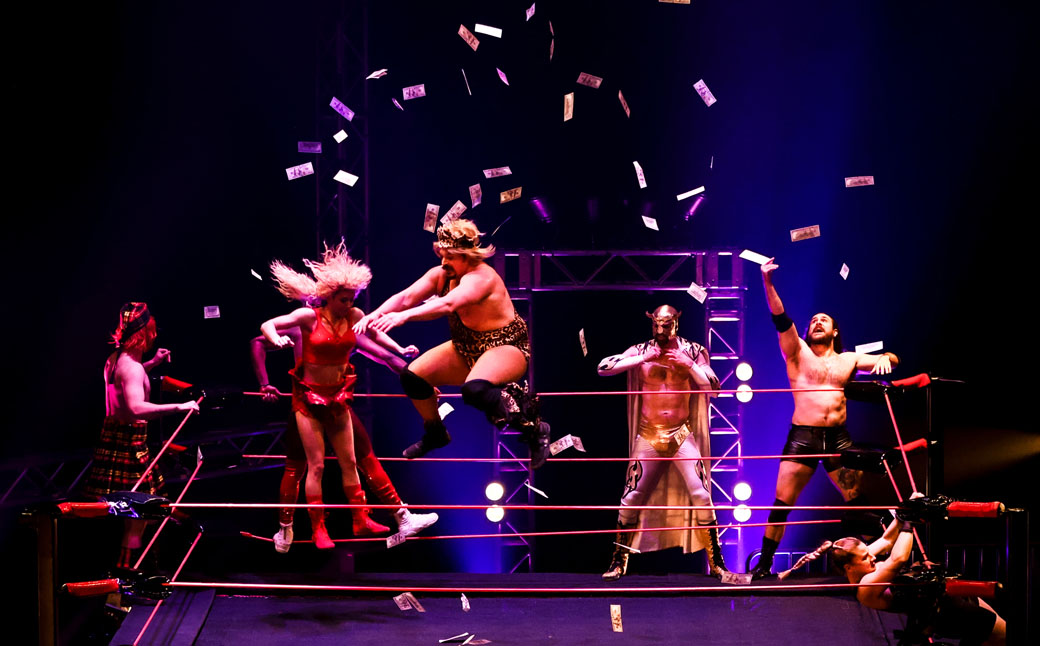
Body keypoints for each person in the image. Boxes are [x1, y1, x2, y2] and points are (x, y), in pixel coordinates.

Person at [260, 242, 420, 549]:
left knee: (349, 460)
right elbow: (268, 324)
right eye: (344, 299)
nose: (349, 304)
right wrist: (275, 338)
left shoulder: (355, 314)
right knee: (316, 465)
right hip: (308, 400)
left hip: (339, 396)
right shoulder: (308, 317)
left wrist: (399, 349)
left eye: (352, 299)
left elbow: (374, 332)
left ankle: (361, 519)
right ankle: (319, 528)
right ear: (329, 296)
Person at [354, 219, 550, 467]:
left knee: (474, 390)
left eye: (451, 257)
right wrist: (373, 316)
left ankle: (535, 429)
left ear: (468, 257)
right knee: (412, 377)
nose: (444, 262)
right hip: (465, 346)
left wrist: (404, 317)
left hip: (505, 346)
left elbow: (447, 304)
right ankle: (436, 432)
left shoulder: (482, 278)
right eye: (442, 255)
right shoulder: (442, 275)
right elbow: (405, 297)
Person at [752, 257, 900, 578]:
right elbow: (780, 317)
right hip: (803, 437)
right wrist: (768, 282)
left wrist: (887, 360)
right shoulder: (797, 351)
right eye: (814, 319)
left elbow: (889, 358)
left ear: (834, 331)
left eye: (824, 320)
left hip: (837, 438)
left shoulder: (848, 359)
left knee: (855, 498)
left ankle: (875, 561)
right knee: (782, 502)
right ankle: (764, 565)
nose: (818, 322)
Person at [250, 323, 438, 553]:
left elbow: (386, 356)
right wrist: (264, 384)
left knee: (356, 459)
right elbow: (258, 342)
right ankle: (288, 528)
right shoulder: (305, 327)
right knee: (307, 467)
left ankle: (398, 517)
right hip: (310, 407)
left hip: (336, 407)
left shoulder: (343, 330)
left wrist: (420, 384)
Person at [596, 305, 728, 580]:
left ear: (676, 323)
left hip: (681, 433)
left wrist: (688, 365)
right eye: (657, 325)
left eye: (666, 325)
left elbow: (714, 389)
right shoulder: (640, 349)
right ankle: (618, 561)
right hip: (649, 434)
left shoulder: (693, 350)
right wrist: (641, 359)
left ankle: (717, 563)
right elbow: (603, 368)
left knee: (703, 496)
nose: (661, 330)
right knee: (630, 499)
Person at [83, 302, 200, 568]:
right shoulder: (132, 368)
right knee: (137, 519)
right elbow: (136, 407)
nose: (156, 335)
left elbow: (127, 384)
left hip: (115, 439)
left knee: (141, 517)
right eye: (153, 330)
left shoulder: (116, 360)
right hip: (129, 443)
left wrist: (153, 363)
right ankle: (125, 584)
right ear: (144, 333)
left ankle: (132, 578)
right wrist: (179, 406)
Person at [826, 497, 1007, 646]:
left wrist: (904, 511)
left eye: (868, 551)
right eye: (864, 557)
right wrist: (909, 522)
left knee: (1001, 632)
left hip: (943, 593)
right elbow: (898, 559)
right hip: (942, 611)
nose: (872, 556)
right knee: (1000, 634)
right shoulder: (865, 588)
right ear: (849, 567)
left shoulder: (865, 564)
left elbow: (887, 540)